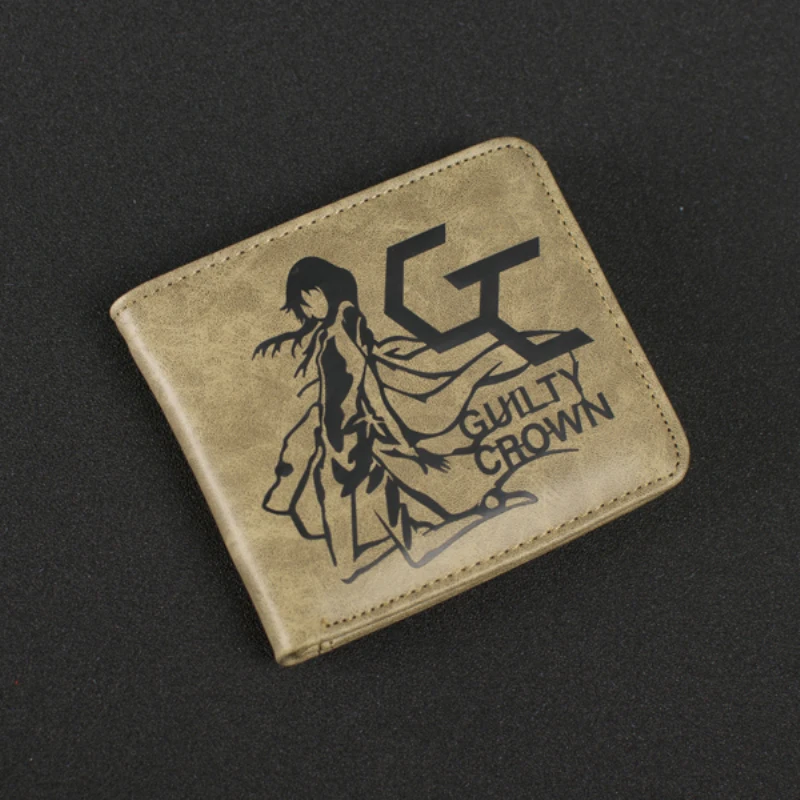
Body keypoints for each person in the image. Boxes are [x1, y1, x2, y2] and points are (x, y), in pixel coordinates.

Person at [254, 257, 537, 582]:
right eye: (302, 304)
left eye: (308, 298)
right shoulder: (328, 335)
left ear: (324, 290)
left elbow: (370, 389)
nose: (307, 309)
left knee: (415, 550)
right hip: (331, 462)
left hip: (359, 459)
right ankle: (457, 519)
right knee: (346, 569)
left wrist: (404, 445)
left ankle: (485, 510)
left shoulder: (344, 326)